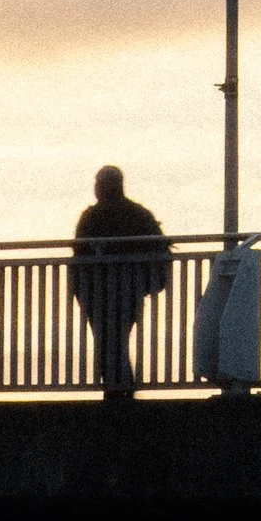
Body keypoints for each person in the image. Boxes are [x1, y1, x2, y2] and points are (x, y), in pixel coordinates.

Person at [70, 165, 171, 397]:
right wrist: (148, 283)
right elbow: (161, 249)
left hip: (98, 294)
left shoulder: (92, 217)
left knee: (107, 345)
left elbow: (79, 254)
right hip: (128, 293)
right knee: (116, 343)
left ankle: (117, 393)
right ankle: (122, 391)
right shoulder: (138, 214)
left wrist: (79, 289)